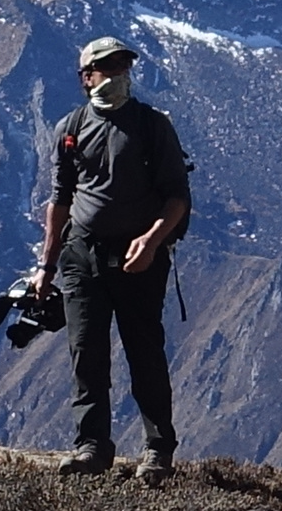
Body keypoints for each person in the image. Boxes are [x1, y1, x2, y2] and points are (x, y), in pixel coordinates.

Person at [37, 31, 191, 480]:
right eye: (109, 68)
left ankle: (158, 451)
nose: (119, 75)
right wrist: (46, 265)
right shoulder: (70, 129)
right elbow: (60, 199)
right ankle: (92, 447)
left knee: (144, 351)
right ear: (87, 77)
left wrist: (152, 240)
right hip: (81, 256)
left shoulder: (151, 125)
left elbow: (177, 196)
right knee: (86, 352)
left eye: (124, 67)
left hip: (139, 260)